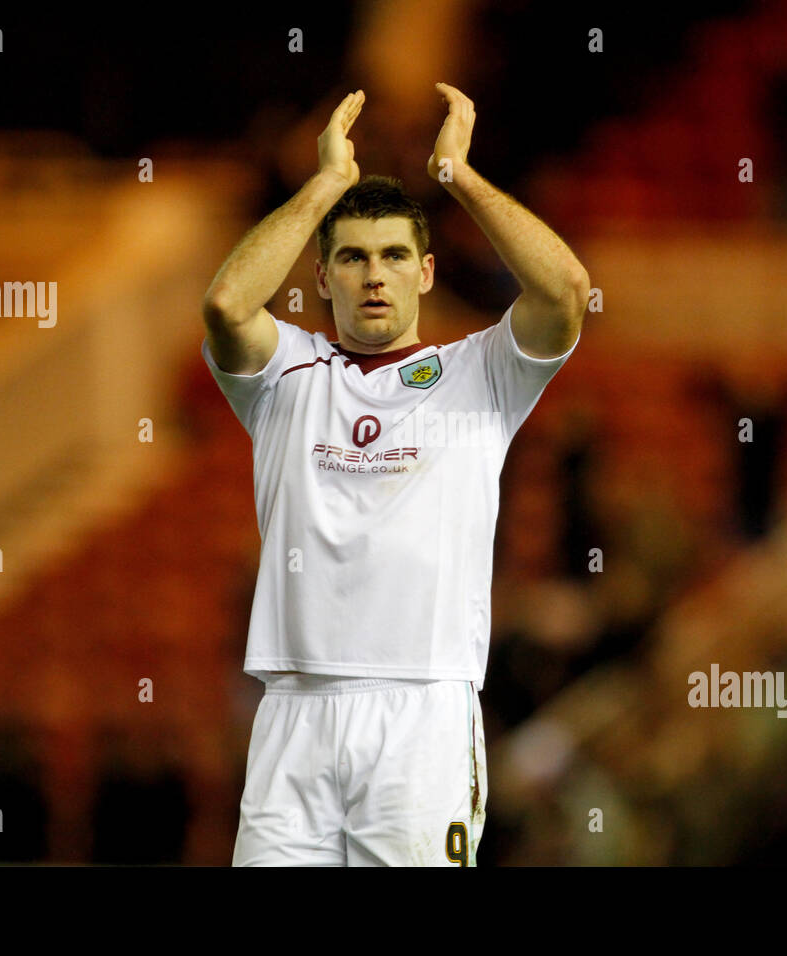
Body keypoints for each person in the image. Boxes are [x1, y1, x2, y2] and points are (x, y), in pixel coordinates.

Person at [201, 85, 589, 865]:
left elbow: (566, 291)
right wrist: (324, 187)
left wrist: (460, 179)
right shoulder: (285, 374)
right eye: (351, 257)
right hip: (294, 715)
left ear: (425, 271)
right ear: (322, 277)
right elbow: (224, 305)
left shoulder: (480, 372)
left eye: (393, 256)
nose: (373, 275)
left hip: (421, 714)